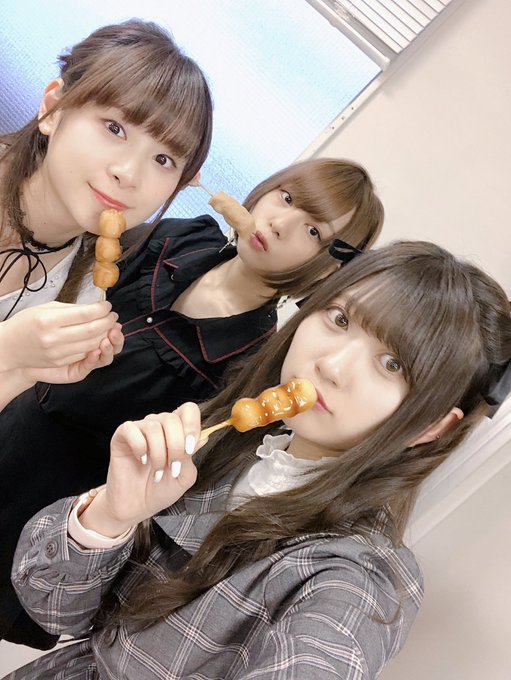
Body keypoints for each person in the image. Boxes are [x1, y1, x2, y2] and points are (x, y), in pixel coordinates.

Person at [7, 241, 511, 679]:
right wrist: (111, 516)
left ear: (432, 426)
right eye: (339, 319)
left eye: (392, 363)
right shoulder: (222, 448)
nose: (332, 366)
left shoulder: (356, 579)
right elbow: (53, 610)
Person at [0, 156, 384, 648]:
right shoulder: (182, 238)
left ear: (329, 266)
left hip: (56, 505)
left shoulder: (255, 362)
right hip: (13, 416)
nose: (279, 223)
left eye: (313, 231)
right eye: (287, 198)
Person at [0, 19, 212, 369]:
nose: (128, 174)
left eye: (163, 160)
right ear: (54, 109)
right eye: (115, 128)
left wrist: (32, 371)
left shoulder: (81, 296)